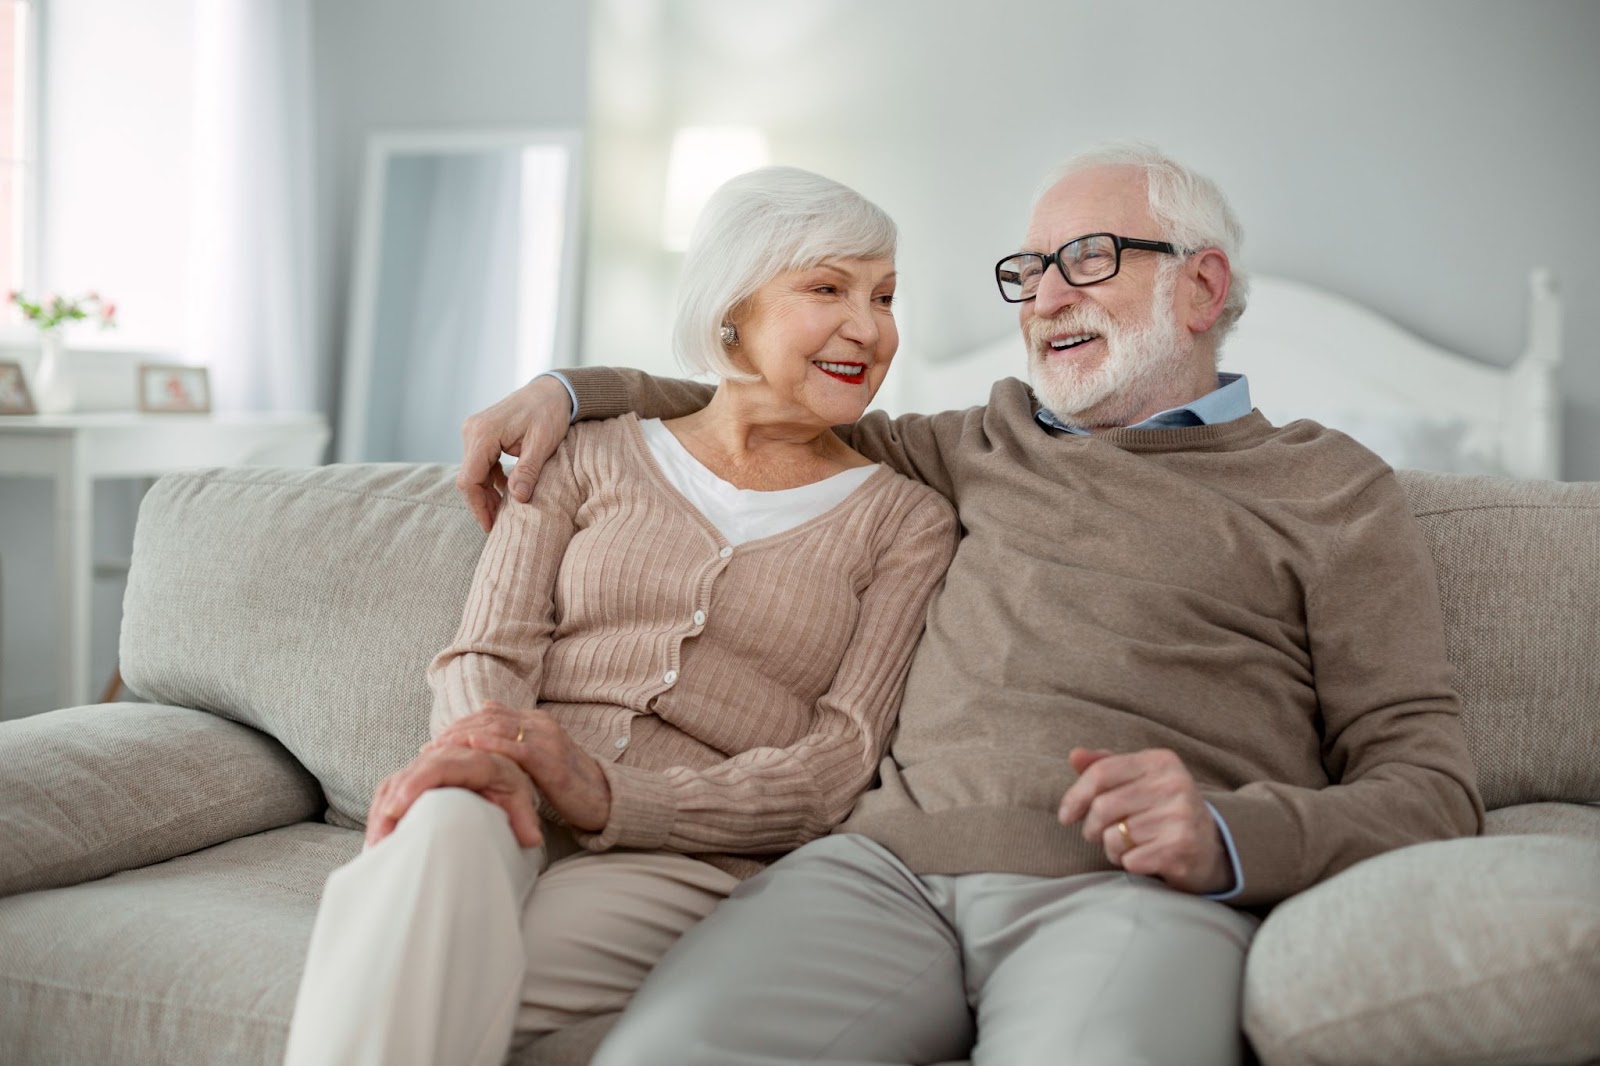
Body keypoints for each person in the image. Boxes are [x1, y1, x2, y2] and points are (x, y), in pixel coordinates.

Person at [457, 143, 1484, 1066]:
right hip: (874, 872)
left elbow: (1430, 785)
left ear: (1200, 286)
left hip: (1127, 892)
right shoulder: (975, 441)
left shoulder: (1331, 488)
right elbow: (755, 397)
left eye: (1085, 258)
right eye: (1028, 271)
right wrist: (565, 388)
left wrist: (1227, 833)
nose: (1042, 299)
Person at [282, 166, 957, 1066]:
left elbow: (836, 763)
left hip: (686, 857)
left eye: (885, 296)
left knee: (438, 968)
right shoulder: (587, 454)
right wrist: (486, 752)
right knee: (442, 832)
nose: (868, 327)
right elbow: (489, 647)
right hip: (506, 793)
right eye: (828, 288)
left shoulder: (905, 519)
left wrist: (613, 795)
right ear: (734, 310)